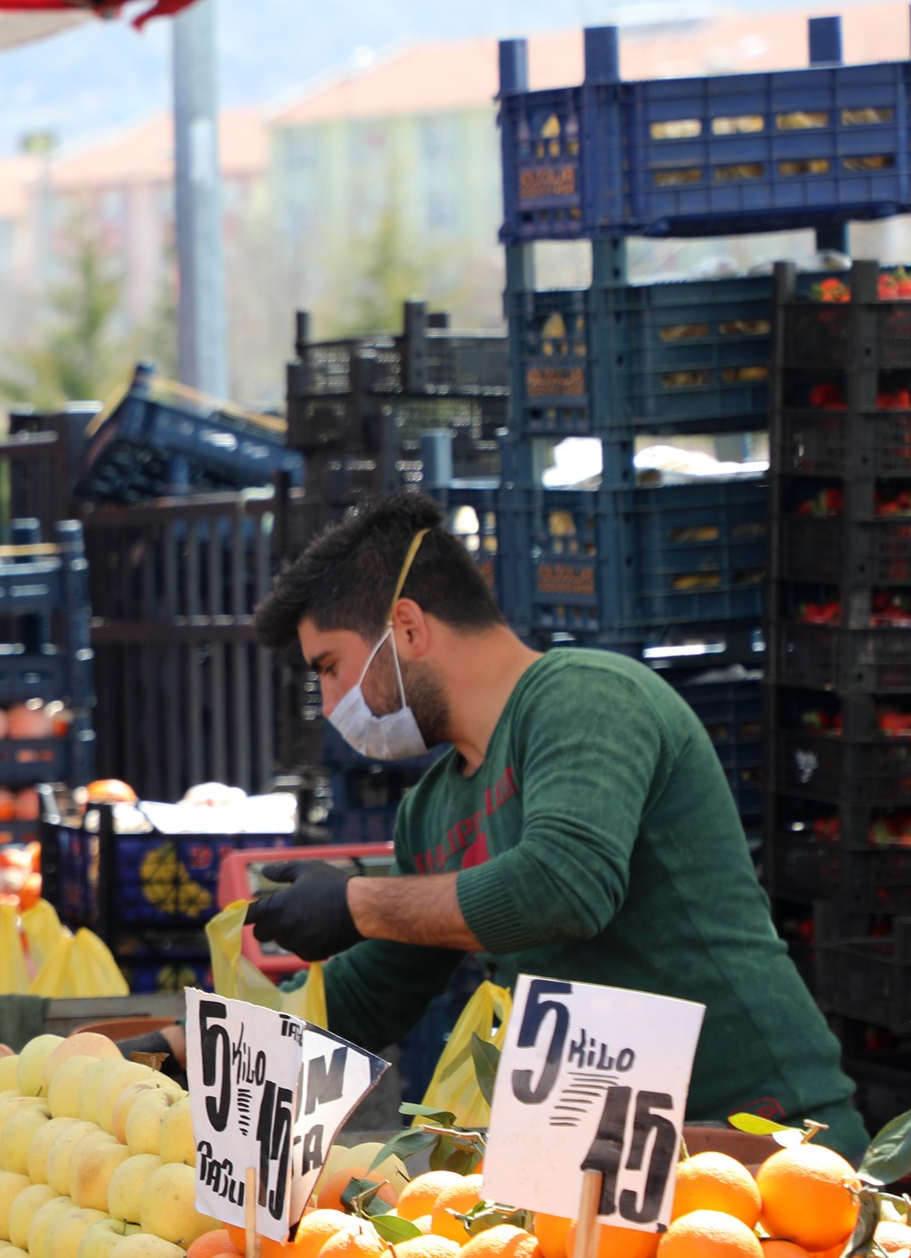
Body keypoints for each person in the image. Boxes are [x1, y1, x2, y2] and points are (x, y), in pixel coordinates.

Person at [245, 492, 865, 1151]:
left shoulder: (585, 696)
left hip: (757, 1134)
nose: (332, 703)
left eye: (331, 669)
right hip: (601, 1158)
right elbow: (375, 991)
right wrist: (208, 1045)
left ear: (406, 628)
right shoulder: (428, 808)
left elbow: (564, 884)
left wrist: (354, 899)